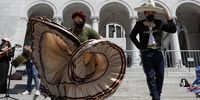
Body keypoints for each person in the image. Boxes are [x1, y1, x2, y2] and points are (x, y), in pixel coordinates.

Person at [130, 0, 177, 100]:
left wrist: (169, 18)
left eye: (152, 12)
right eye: (148, 11)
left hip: (158, 53)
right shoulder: (139, 24)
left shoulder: (159, 23)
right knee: (150, 76)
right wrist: (140, 47)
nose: (150, 13)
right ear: (145, 13)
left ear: (155, 13)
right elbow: (132, 36)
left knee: (160, 75)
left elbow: (173, 30)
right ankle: (156, 98)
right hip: (146, 54)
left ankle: (156, 95)